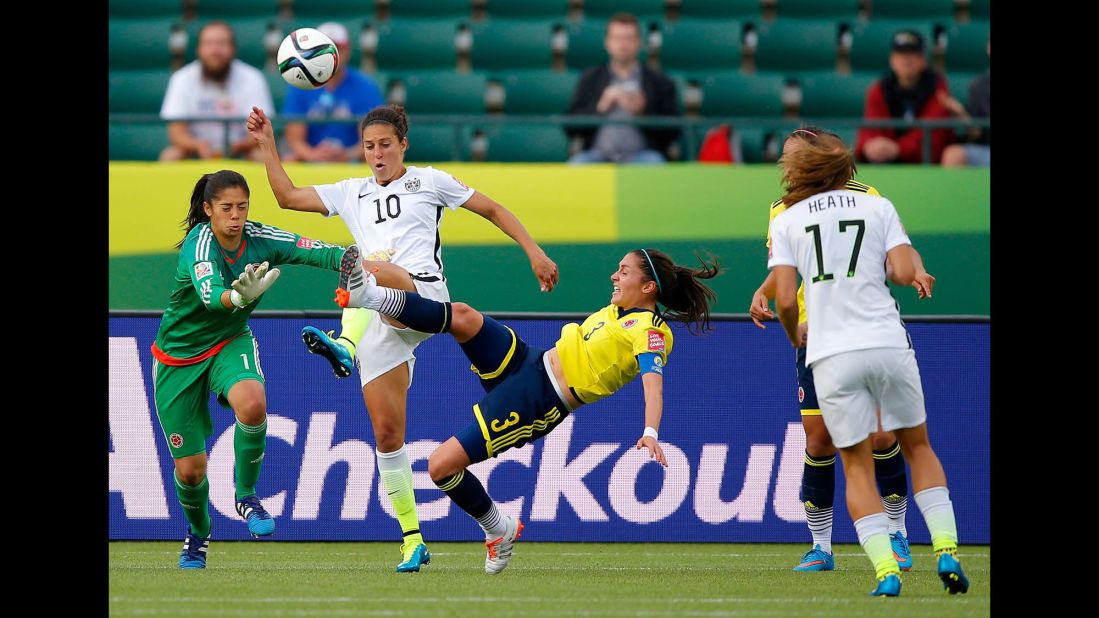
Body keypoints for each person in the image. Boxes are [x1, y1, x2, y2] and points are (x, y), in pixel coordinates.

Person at [245, 103, 559, 572]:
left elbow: (490, 208)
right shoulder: (352, 192)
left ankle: (344, 345)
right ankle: (421, 538)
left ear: (403, 145)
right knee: (388, 435)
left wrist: (533, 251)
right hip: (378, 312)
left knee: (358, 264)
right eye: (369, 146)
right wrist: (268, 144)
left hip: (422, 295)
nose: (376, 154)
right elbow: (287, 197)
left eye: (385, 145)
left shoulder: (429, 181)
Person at [336, 248, 719, 574]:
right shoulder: (615, 312)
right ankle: (366, 297)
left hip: (540, 400)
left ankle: (498, 528)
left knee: (440, 466)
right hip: (529, 363)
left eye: (624, 271)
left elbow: (653, 380)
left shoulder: (650, 329)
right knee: (464, 316)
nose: (613, 275)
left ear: (648, 287)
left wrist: (651, 432)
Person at [768, 132, 970, 597]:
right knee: (918, 447)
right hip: (886, 340)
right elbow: (900, 270)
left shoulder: (790, 217)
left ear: (804, 170)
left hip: (829, 349)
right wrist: (910, 270)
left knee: (856, 464)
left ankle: (886, 571)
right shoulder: (878, 207)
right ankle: (945, 549)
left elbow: (785, 299)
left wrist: (792, 331)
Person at [151, 170, 350, 569]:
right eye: (226, 208)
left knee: (253, 403)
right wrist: (236, 296)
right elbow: (210, 297)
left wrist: (351, 259)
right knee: (190, 472)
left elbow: (309, 249)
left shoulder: (259, 237)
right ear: (208, 210)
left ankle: (246, 496)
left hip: (229, 341)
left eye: (242, 206)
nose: (236, 215)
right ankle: (198, 534)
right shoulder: (200, 243)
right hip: (177, 358)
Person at [749, 127, 925, 573]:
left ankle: (898, 533)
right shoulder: (780, 210)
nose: (785, 168)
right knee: (819, 439)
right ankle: (821, 546)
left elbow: (893, 248)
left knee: (883, 435)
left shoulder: (866, 195)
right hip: (815, 337)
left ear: (815, 160)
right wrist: (765, 289)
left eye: (792, 158)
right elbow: (788, 263)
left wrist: (914, 268)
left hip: (864, 328)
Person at [565, 12, 679, 164]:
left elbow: (674, 130)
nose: (623, 44)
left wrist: (643, 112)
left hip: (643, 156)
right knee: (577, 165)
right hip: (597, 154)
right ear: (607, 42)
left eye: (629, 38)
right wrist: (599, 109)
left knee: (655, 163)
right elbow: (570, 127)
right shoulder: (591, 78)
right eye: (617, 38)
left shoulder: (660, 81)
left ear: (639, 42)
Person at [160, 21, 274, 161]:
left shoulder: (253, 78)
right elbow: (176, 133)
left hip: (242, 152)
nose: (215, 51)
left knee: (262, 156)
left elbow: (261, 129)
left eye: (221, 44)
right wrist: (198, 146)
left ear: (233, 48)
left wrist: (237, 147)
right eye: (208, 44)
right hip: (195, 152)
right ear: (198, 49)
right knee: (170, 156)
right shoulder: (181, 78)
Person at [282, 22, 385, 163]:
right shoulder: (299, 84)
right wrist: (313, 154)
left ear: (348, 51)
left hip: (351, 165)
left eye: (338, 48)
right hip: (308, 161)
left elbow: (375, 136)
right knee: (289, 159)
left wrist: (348, 155)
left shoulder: (365, 86)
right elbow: (294, 138)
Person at [854, 29, 954, 165]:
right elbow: (870, 128)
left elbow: (933, 136)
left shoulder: (937, 88)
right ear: (892, 60)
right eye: (901, 55)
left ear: (923, 60)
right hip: (886, 163)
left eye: (912, 55)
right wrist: (870, 146)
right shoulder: (879, 89)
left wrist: (898, 148)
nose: (906, 61)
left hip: (928, 166)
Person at [941, 38, 990, 168]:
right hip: (986, 150)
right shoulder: (979, 86)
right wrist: (960, 112)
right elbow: (976, 132)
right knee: (953, 155)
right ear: (988, 48)